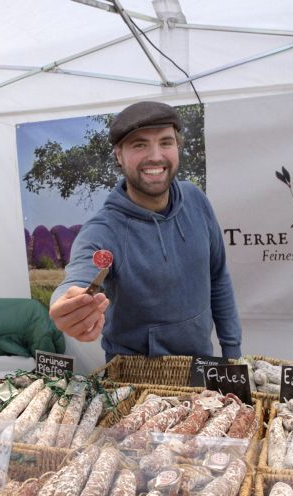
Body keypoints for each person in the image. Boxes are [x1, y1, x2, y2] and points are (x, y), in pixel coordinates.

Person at [48, 101, 241, 361]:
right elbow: (77, 280)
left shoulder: (196, 200)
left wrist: (232, 353)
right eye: (140, 145)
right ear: (119, 155)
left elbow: (218, 277)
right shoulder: (103, 230)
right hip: (133, 373)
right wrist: (66, 304)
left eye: (166, 142)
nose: (155, 156)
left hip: (200, 362)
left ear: (178, 147)